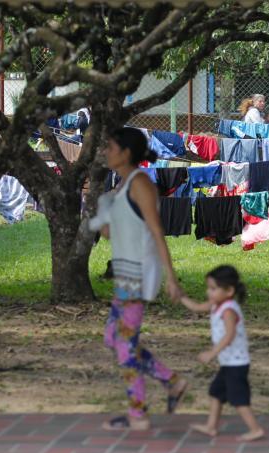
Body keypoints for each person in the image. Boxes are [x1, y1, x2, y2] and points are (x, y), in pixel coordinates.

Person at [95, 127, 187, 431]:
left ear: (126, 152)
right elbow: (111, 233)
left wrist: (171, 278)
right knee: (114, 338)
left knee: (123, 343)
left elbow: (157, 231)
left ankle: (138, 414)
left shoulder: (141, 183)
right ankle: (171, 381)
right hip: (125, 273)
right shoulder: (122, 186)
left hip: (138, 274)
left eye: (110, 146)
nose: (106, 151)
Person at [180, 265, 265, 442]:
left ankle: (255, 429)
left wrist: (212, 353)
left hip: (237, 364)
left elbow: (229, 335)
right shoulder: (216, 304)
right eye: (208, 288)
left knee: (238, 399)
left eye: (213, 288)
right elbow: (197, 307)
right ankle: (211, 427)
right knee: (216, 392)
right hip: (228, 363)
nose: (208, 292)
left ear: (229, 291)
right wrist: (180, 297)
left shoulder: (228, 310)